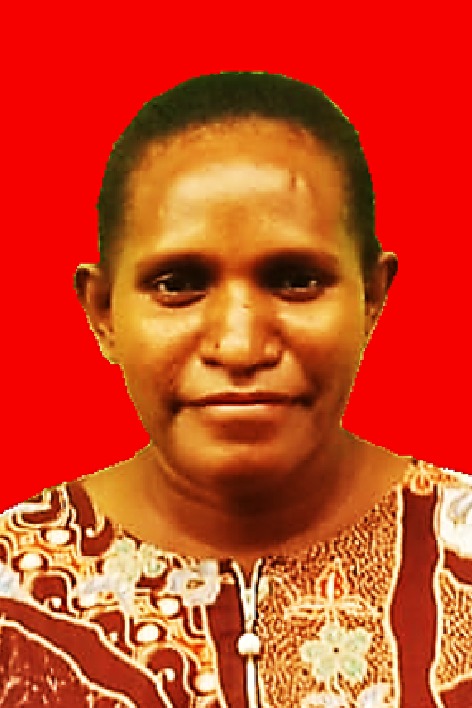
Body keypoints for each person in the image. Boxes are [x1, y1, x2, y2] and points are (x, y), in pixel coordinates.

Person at [0, 72, 471, 708]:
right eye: (177, 284)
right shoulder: (13, 590)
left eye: (297, 280)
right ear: (103, 312)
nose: (241, 345)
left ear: (372, 298)